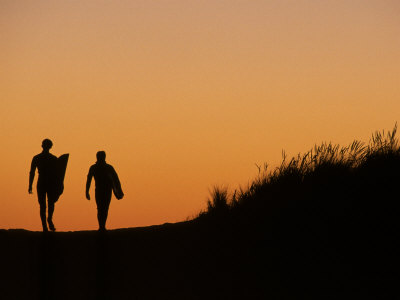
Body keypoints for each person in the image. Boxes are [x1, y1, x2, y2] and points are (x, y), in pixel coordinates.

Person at [86, 151, 124, 231]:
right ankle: (101, 226)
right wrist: (86, 191)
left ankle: (102, 226)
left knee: (104, 208)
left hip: (107, 190)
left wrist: (119, 191)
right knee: (100, 208)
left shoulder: (109, 167)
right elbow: (88, 179)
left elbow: (116, 179)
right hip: (99, 190)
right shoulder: (94, 167)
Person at [29, 139, 58, 232]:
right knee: (44, 205)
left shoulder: (53, 159)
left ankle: (48, 220)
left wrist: (30, 185)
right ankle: (45, 225)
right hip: (43, 182)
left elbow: (58, 174)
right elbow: (32, 172)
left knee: (49, 204)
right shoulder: (39, 158)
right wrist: (30, 185)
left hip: (48, 182)